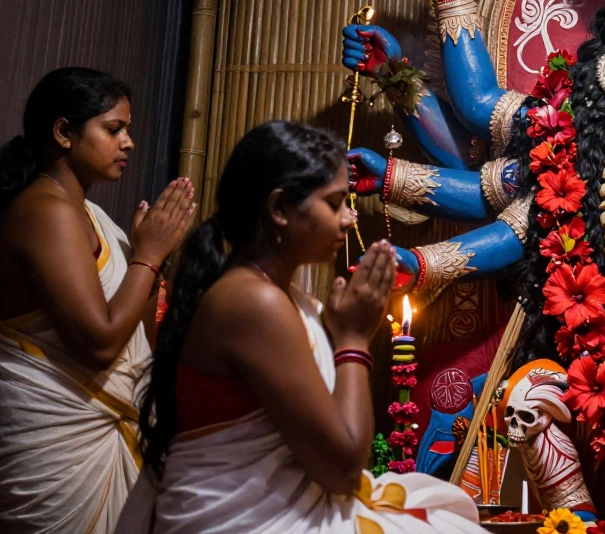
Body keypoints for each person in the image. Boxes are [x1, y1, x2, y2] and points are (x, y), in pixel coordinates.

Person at [119, 120, 487, 534]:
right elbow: (344, 470)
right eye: (334, 204)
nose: (349, 219)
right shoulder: (255, 302)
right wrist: (352, 340)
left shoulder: (276, 297)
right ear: (279, 210)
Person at [0, 67, 193, 533]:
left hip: (108, 426)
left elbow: (135, 339)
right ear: (64, 132)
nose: (128, 142)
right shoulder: (44, 212)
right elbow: (99, 346)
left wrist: (151, 262)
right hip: (59, 448)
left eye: (127, 129)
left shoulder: (89, 214)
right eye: (114, 129)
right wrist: (147, 256)